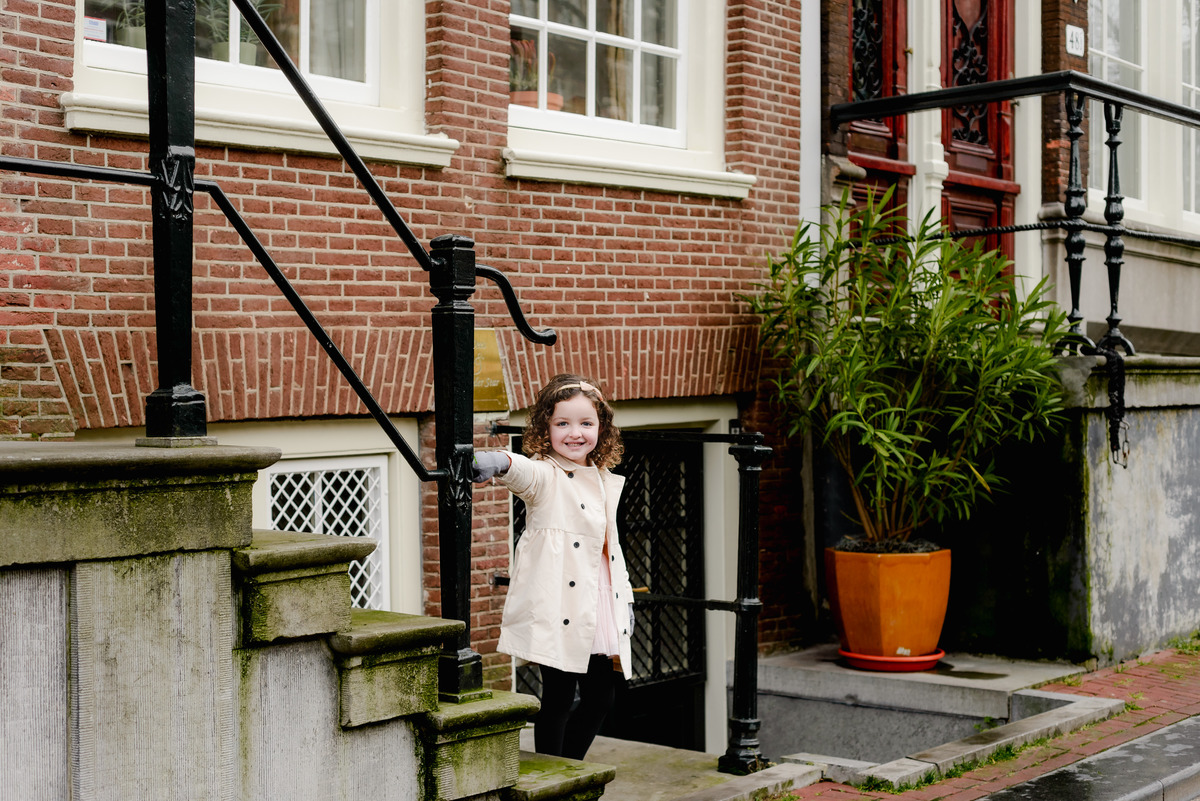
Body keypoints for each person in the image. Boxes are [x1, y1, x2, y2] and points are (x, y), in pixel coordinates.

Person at [472, 373, 634, 760]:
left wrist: (623, 597)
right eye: (562, 423)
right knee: (558, 698)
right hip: (561, 602)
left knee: (601, 697)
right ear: (546, 426)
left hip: (598, 601)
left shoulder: (603, 478)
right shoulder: (546, 473)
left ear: (601, 428)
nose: (574, 433)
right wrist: (499, 461)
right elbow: (524, 473)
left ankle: (568, 768)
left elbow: (611, 551)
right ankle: (550, 779)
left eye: (585, 423)